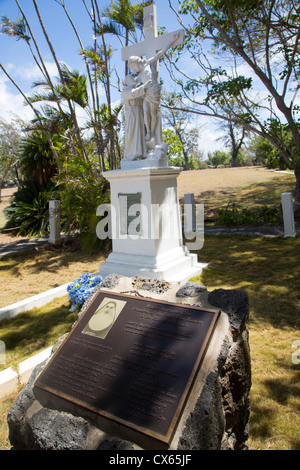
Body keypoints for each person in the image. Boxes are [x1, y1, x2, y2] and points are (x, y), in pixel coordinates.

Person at [128, 31, 180, 146]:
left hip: (154, 91)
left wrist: (172, 40)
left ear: (136, 62)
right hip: (146, 94)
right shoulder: (139, 76)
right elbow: (131, 85)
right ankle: (149, 132)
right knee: (146, 112)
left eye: (133, 66)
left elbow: (161, 53)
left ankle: (152, 132)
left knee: (153, 112)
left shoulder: (147, 63)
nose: (133, 69)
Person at [121, 74, 151, 161]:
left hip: (139, 112)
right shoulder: (125, 90)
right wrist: (144, 87)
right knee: (132, 132)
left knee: (140, 132)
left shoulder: (138, 89)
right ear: (126, 81)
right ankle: (132, 154)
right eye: (130, 78)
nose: (133, 79)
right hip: (131, 113)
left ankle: (141, 153)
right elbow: (132, 94)